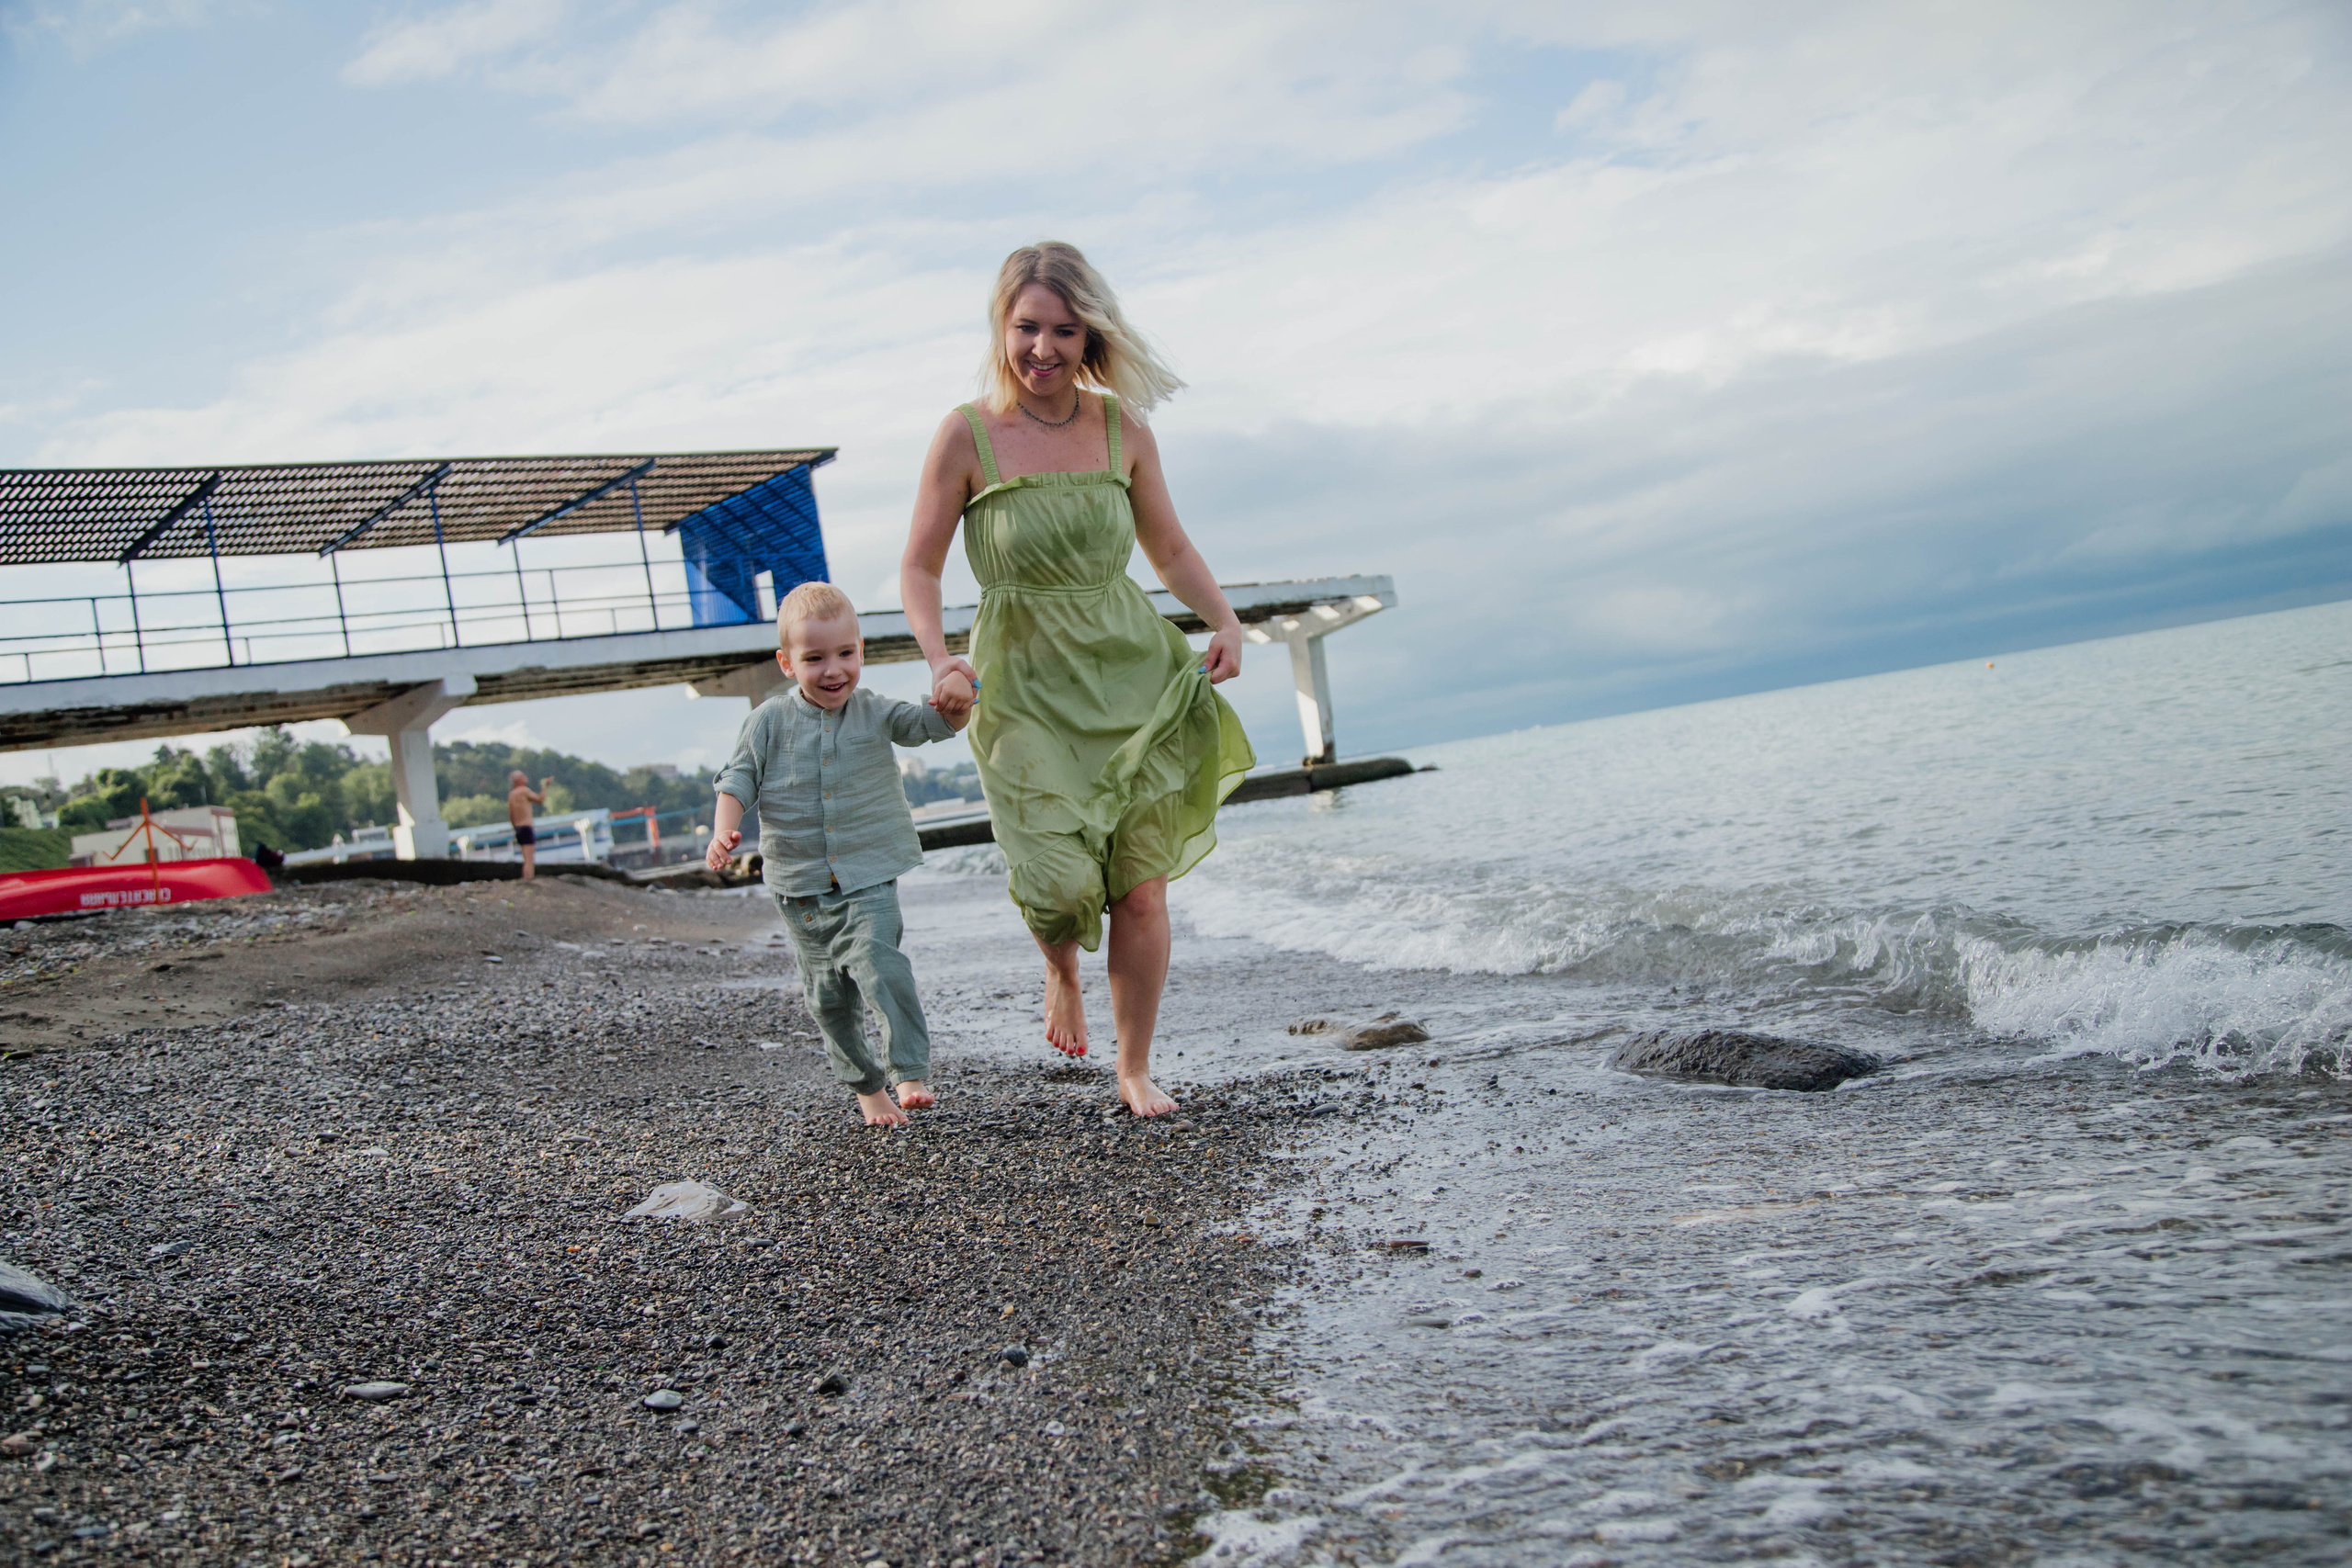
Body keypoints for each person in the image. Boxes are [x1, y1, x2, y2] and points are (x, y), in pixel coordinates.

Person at [900, 242, 1254, 1119]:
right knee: (1056, 881)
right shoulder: (966, 433)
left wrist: (1225, 619)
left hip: (1128, 674)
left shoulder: (1123, 428)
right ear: (1001, 326)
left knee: (1140, 884)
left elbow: (1167, 547)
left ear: (1090, 334)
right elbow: (918, 567)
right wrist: (941, 658)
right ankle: (1060, 966)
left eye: (1065, 330)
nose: (1044, 350)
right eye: (1028, 328)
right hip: (1016, 686)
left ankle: (1134, 1067)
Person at [709, 581, 969, 1128]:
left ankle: (908, 1070)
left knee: (879, 962)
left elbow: (929, 725)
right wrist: (724, 831)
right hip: (799, 886)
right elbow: (737, 779)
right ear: (786, 663)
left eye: (845, 654)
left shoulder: (874, 710)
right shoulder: (767, 723)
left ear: (861, 653)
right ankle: (869, 1091)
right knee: (828, 998)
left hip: (868, 873)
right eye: (815, 658)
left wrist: (957, 701)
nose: (834, 670)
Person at [506, 770, 551, 878]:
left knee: (525, 858)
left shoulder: (512, 795)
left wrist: (515, 829)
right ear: (518, 780)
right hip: (526, 826)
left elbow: (511, 815)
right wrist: (545, 787)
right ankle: (529, 880)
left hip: (518, 828)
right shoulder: (524, 791)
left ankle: (526, 880)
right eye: (523, 776)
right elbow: (540, 799)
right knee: (529, 859)